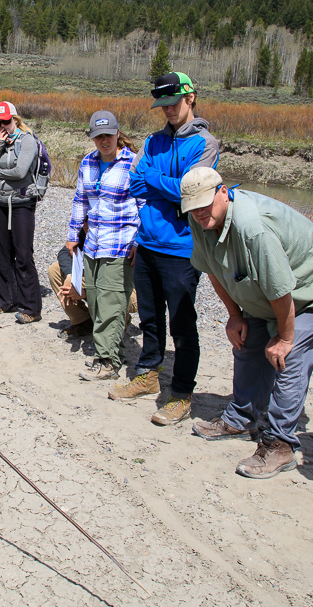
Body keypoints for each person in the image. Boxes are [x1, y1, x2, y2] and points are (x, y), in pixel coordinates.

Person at [182, 168, 313, 480]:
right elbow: (213, 270)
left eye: (205, 203)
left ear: (223, 191)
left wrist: (285, 338)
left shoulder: (252, 228)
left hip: (308, 286)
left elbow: (282, 289)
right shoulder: (199, 219)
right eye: (193, 206)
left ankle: (281, 445)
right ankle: (241, 419)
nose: (200, 212)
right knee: (248, 344)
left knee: (288, 359)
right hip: (264, 290)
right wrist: (235, 315)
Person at [109, 72, 219, 426]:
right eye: (163, 105)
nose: (168, 110)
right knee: (151, 318)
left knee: (183, 324)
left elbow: (193, 192)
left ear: (190, 98)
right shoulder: (154, 140)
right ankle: (148, 374)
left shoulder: (205, 144)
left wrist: (155, 178)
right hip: (149, 243)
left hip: (183, 249)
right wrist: (164, 184)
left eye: (174, 103)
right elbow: (133, 183)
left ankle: (182, 393)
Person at [67, 111, 142, 380]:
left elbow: (144, 204)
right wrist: (73, 234)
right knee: (97, 302)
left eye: (108, 135)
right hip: (93, 244)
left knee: (112, 303)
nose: (104, 140)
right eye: (98, 136)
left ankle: (107, 361)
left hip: (120, 245)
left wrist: (138, 241)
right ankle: (113, 351)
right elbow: (80, 200)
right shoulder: (88, 162)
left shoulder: (132, 164)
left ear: (117, 133)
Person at [0, 101, 43, 323]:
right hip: (0, 202)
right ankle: (7, 299)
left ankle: (31, 308)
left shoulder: (28, 141)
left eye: (6, 121)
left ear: (15, 119)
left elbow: (20, 171)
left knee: (23, 255)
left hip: (22, 202)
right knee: (2, 253)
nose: (3, 126)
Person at [48, 228, 138, 339]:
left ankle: (120, 319)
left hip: (128, 289)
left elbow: (112, 280)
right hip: (99, 280)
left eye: (87, 220)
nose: (85, 224)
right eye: (84, 220)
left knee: (112, 292)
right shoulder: (88, 229)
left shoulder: (116, 234)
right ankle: (83, 322)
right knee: (55, 270)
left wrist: (86, 292)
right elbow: (65, 252)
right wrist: (69, 276)